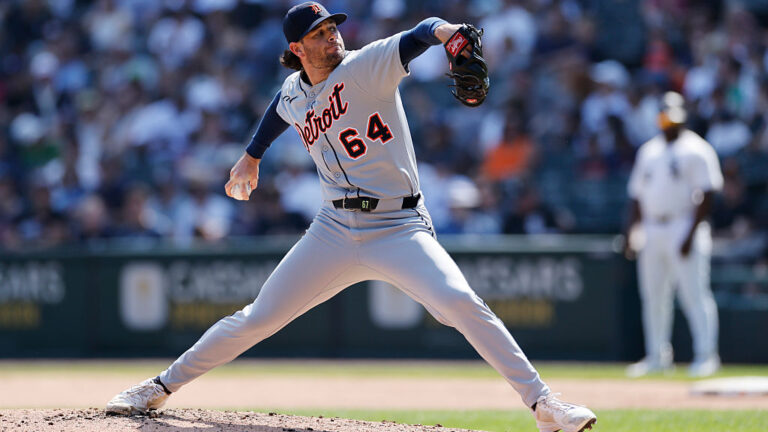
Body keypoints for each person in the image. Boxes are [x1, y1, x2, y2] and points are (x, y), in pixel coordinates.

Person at [106, 3, 597, 431]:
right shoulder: (296, 90)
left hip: (398, 226)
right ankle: (158, 387)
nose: (332, 36)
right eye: (319, 34)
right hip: (334, 229)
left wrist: (448, 33)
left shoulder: (367, 66)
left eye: (333, 28)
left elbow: (419, 32)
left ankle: (543, 404)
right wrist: (252, 154)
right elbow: (283, 105)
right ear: (298, 48)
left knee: (460, 302)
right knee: (257, 318)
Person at [624, 91, 723, 378]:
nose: (669, 122)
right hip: (653, 226)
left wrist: (690, 234)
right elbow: (636, 196)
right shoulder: (649, 151)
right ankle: (657, 355)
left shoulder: (697, 149)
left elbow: (707, 193)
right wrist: (633, 230)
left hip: (684, 222)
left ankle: (706, 354)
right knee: (654, 295)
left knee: (694, 293)